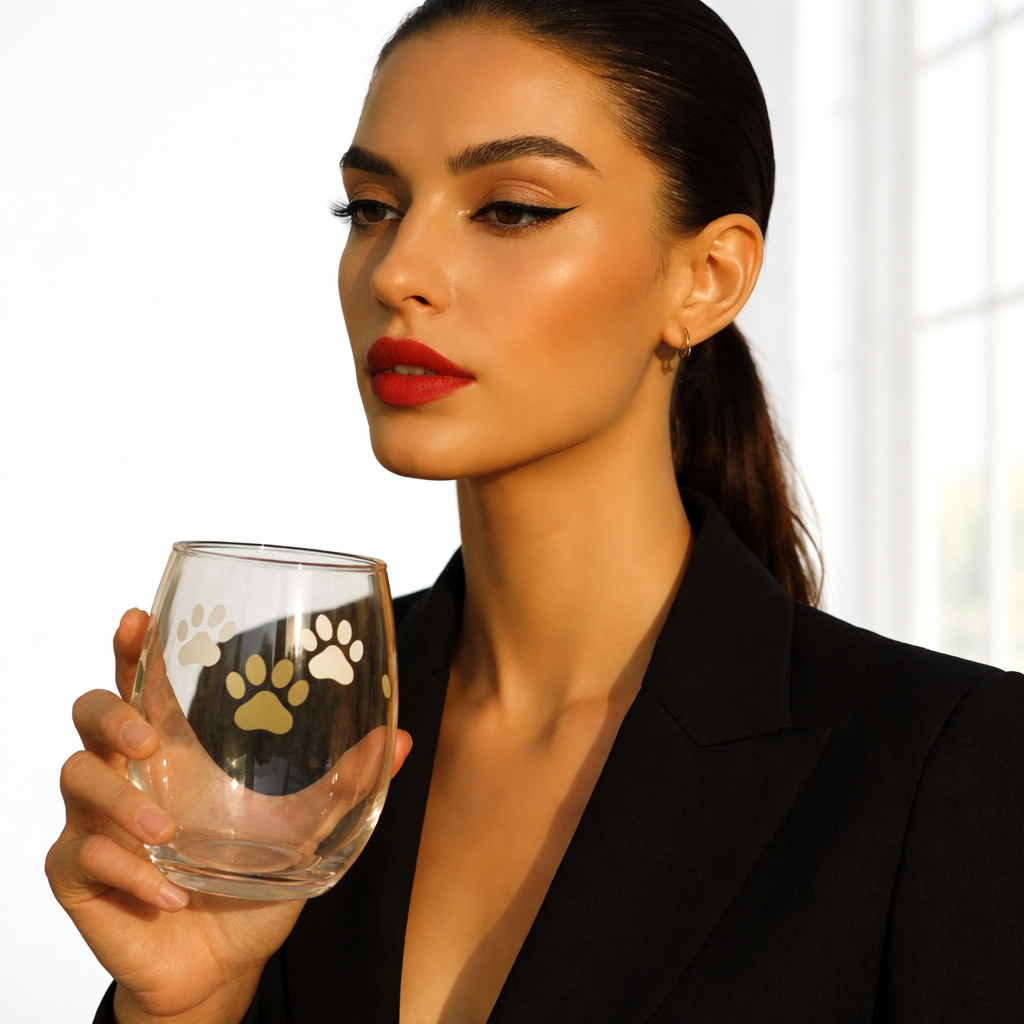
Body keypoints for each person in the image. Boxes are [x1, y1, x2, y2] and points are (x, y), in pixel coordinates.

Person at [47, 2, 1021, 1022]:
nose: (397, 272)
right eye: (371, 206)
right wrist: (185, 1005)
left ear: (707, 277)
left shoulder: (942, 768)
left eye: (510, 208)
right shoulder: (271, 727)